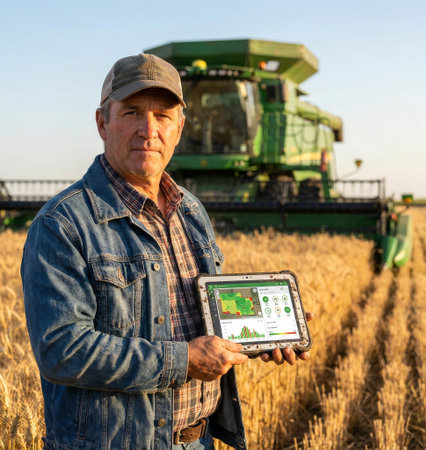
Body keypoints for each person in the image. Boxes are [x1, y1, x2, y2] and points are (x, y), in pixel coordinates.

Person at [21, 53, 311, 449]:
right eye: (132, 112)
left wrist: (260, 335)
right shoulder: (63, 224)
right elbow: (62, 349)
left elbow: (204, 320)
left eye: (163, 116)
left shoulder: (190, 210)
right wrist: (183, 361)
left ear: (180, 128)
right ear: (102, 122)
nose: (148, 129)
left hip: (199, 440)